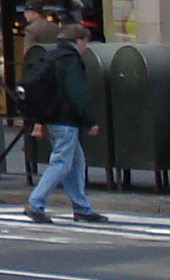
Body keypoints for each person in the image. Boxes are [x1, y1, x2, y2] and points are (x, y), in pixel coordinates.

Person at [21, 17, 108, 224]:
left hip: (53, 117)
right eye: (85, 42)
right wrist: (91, 120)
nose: (86, 47)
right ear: (77, 40)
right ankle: (36, 203)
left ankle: (82, 208)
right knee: (61, 162)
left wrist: (40, 121)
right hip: (65, 119)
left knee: (76, 163)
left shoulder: (51, 57)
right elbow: (77, 92)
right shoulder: (70, 60)